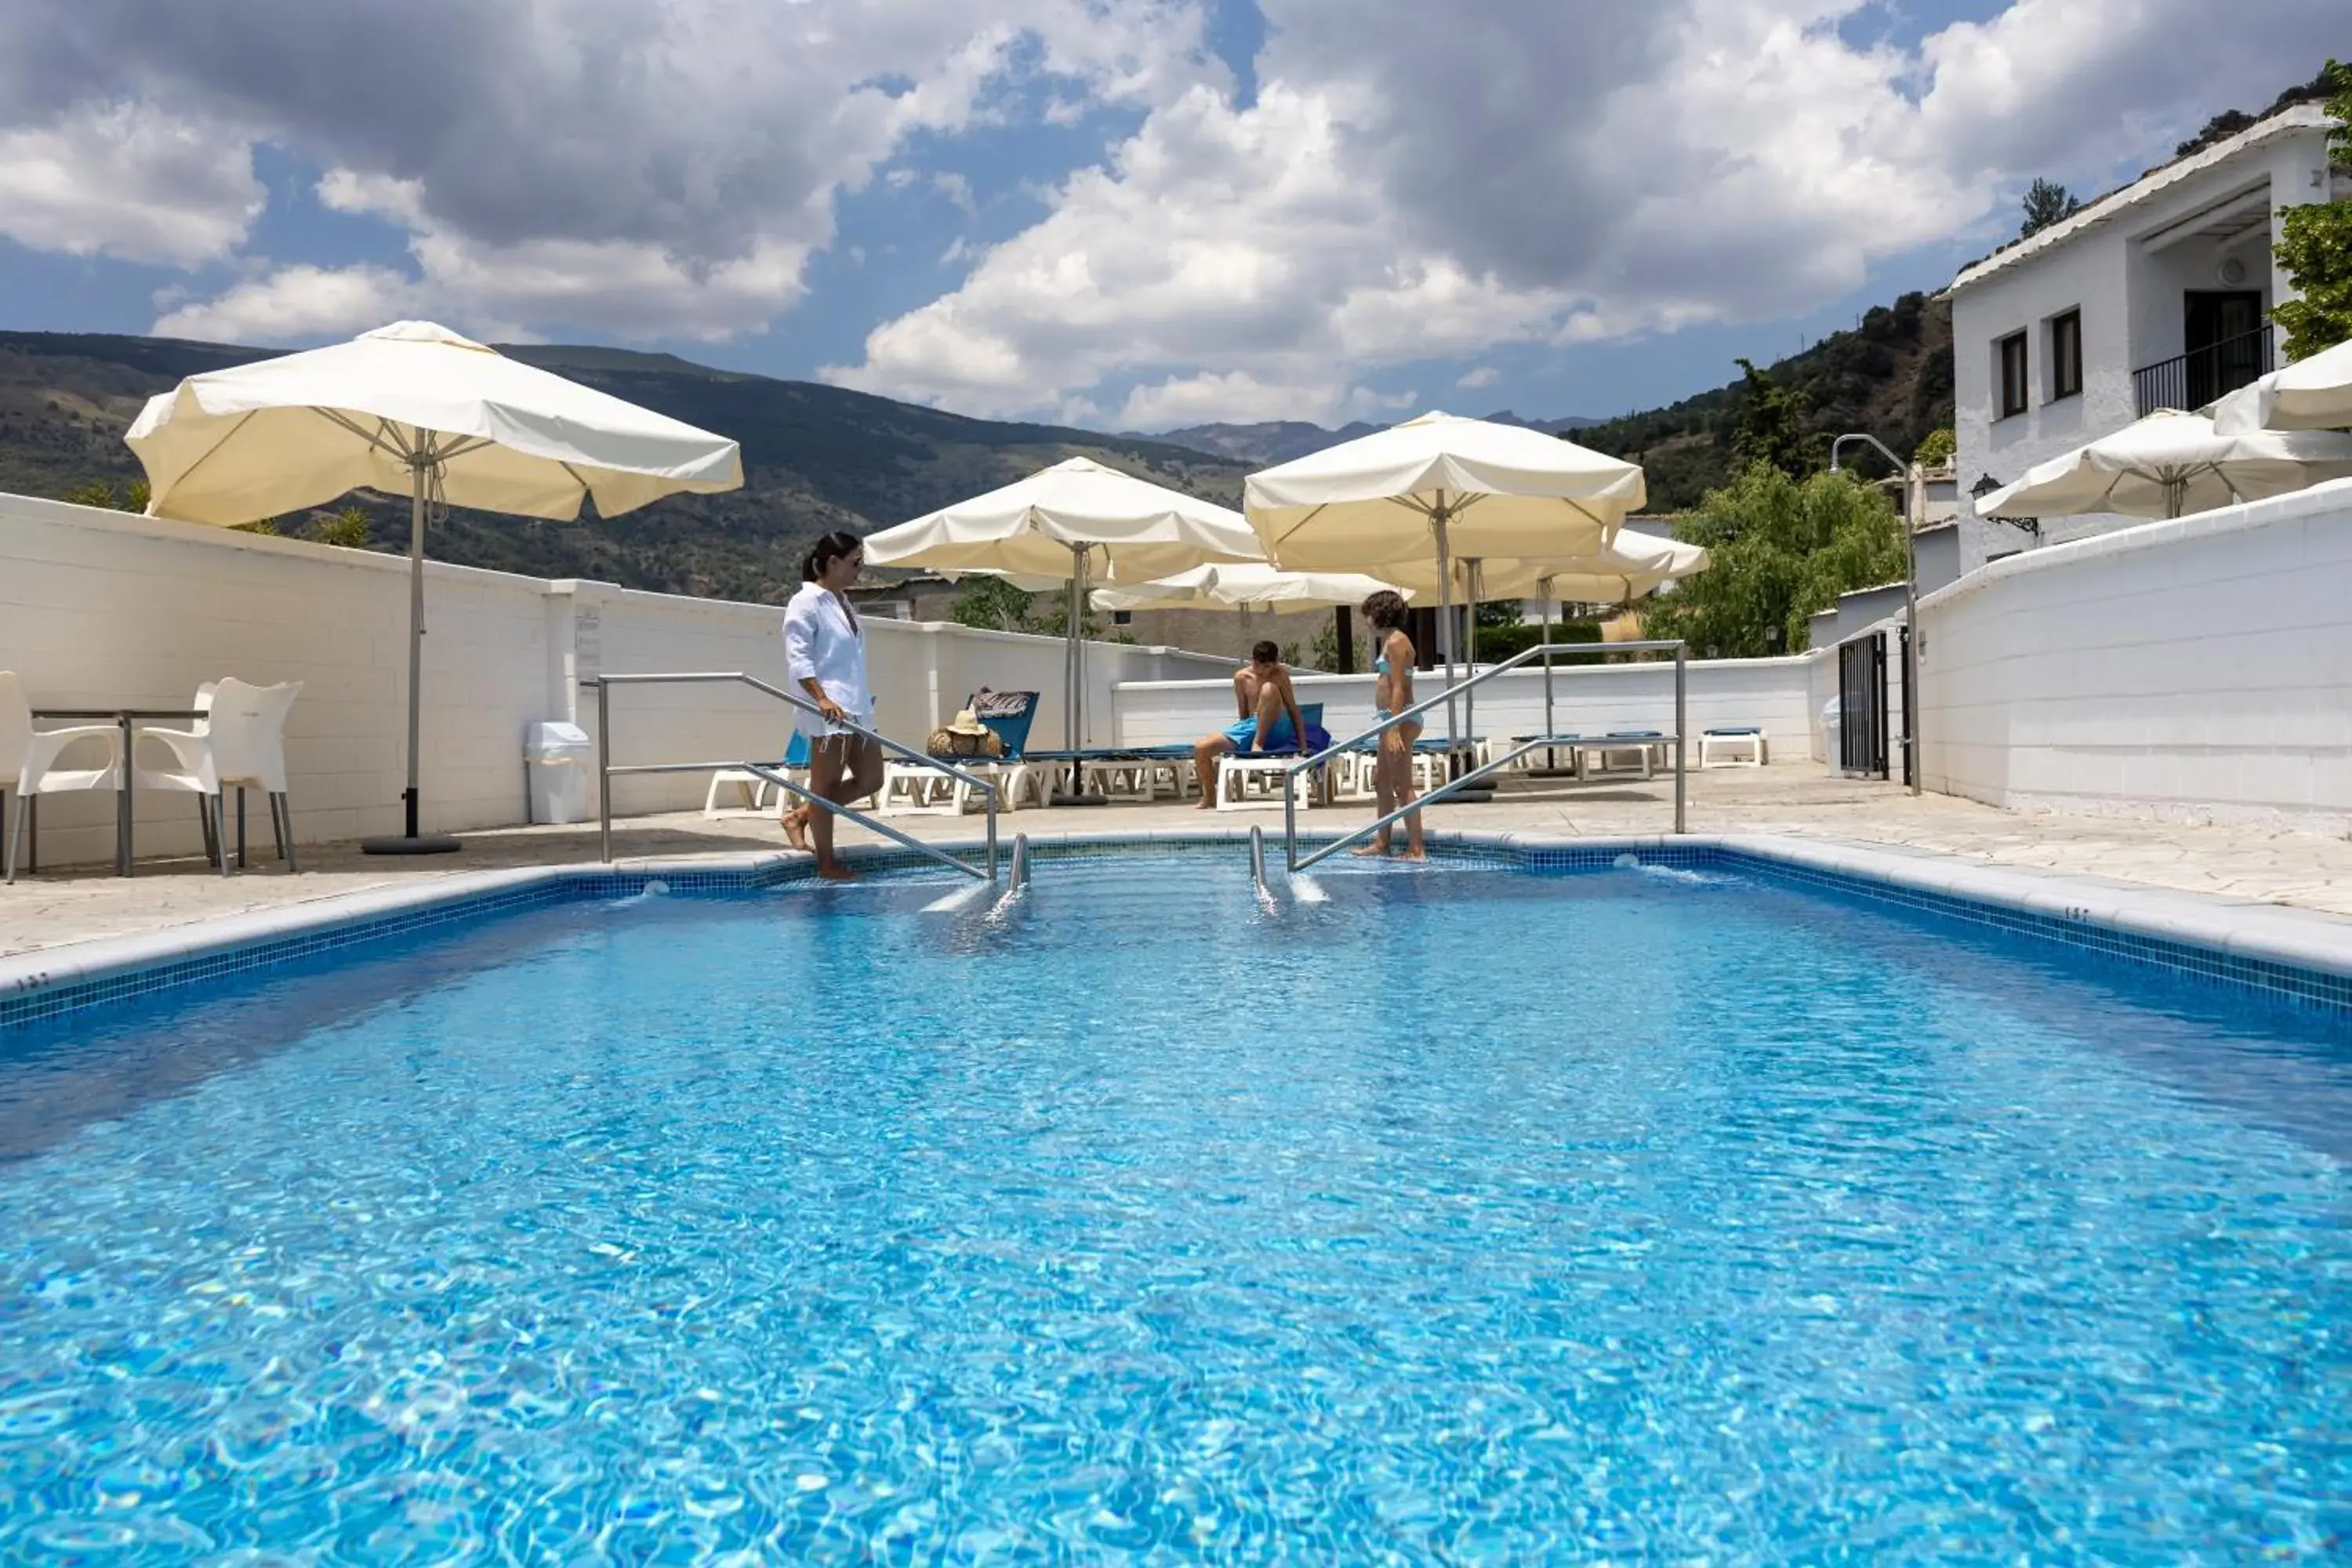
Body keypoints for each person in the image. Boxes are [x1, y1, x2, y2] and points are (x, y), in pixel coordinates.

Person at [782, 531, 883, 880]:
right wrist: (821, 698)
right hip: (828, 709)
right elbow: (798, 657)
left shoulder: (842, 601)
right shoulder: (806, 602)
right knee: (824, 787)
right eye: (855, 563)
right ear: (833, 562)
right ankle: (826, 864)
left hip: (857, 706)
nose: (860, 571)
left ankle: (800, 816)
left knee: (872, 779)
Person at [1192, 640, 1310, 808]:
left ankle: (1258, 742)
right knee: (1201, 748)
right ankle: (1210, 795)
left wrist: (1303, 744)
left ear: (1275, 664)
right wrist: (1239, 742)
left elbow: (1293, 709)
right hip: (1251, 726)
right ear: (1253, 661)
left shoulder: (1280, 675)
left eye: (1268, 667)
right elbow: (1243, 714)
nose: (1264, 671)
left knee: (1269, 689)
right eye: (1260, 666)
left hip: (1276, 727)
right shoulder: (1241, 678)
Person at [1355, 590, 1425, 860]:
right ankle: (1382, 842)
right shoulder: (1390, 641)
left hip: (1402, 718)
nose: (1367, 620)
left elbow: (1398, 688)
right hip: (1390, 719)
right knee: (1382, 781)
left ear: (1380, 614)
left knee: (1401, 784)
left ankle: (1417, 849)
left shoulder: (1397, 642)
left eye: (1369, 614)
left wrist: (1394, 726)